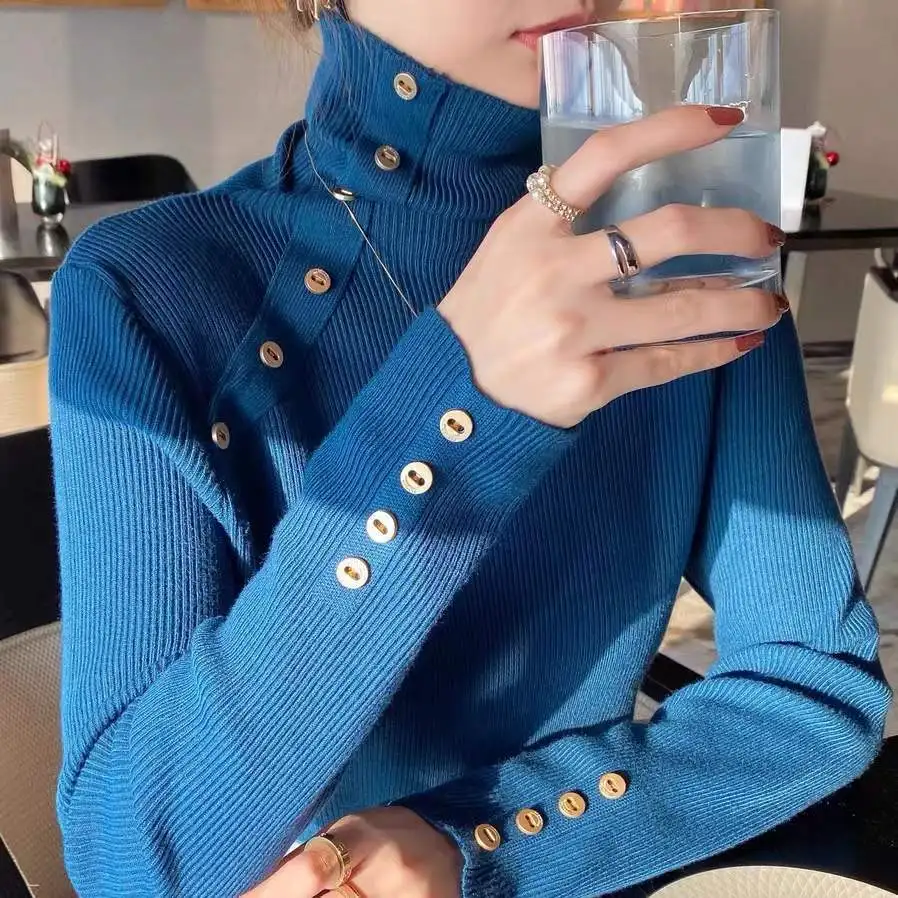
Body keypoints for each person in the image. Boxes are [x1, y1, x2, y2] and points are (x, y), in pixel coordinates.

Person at [49, 1, 891, 897]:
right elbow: (132, 865)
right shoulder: (147, 285)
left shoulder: (680, 245)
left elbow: (814, 684)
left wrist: (485, 841)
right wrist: (462, 401)